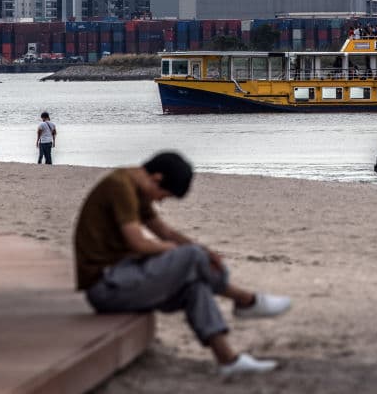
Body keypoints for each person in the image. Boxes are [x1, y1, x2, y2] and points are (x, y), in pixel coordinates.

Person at [75, 152, 291, 377]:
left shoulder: (134, 187)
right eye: (163, 195)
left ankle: (228, 360)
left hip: (123, 279)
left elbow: (165, 232)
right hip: (105, 287)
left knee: (195, 286)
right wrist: (181, 253)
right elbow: (138, 243)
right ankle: (246, 300)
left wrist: (207, 253)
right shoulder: (120, 187)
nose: (160, 201)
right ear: (156, 178)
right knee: (191, 256)